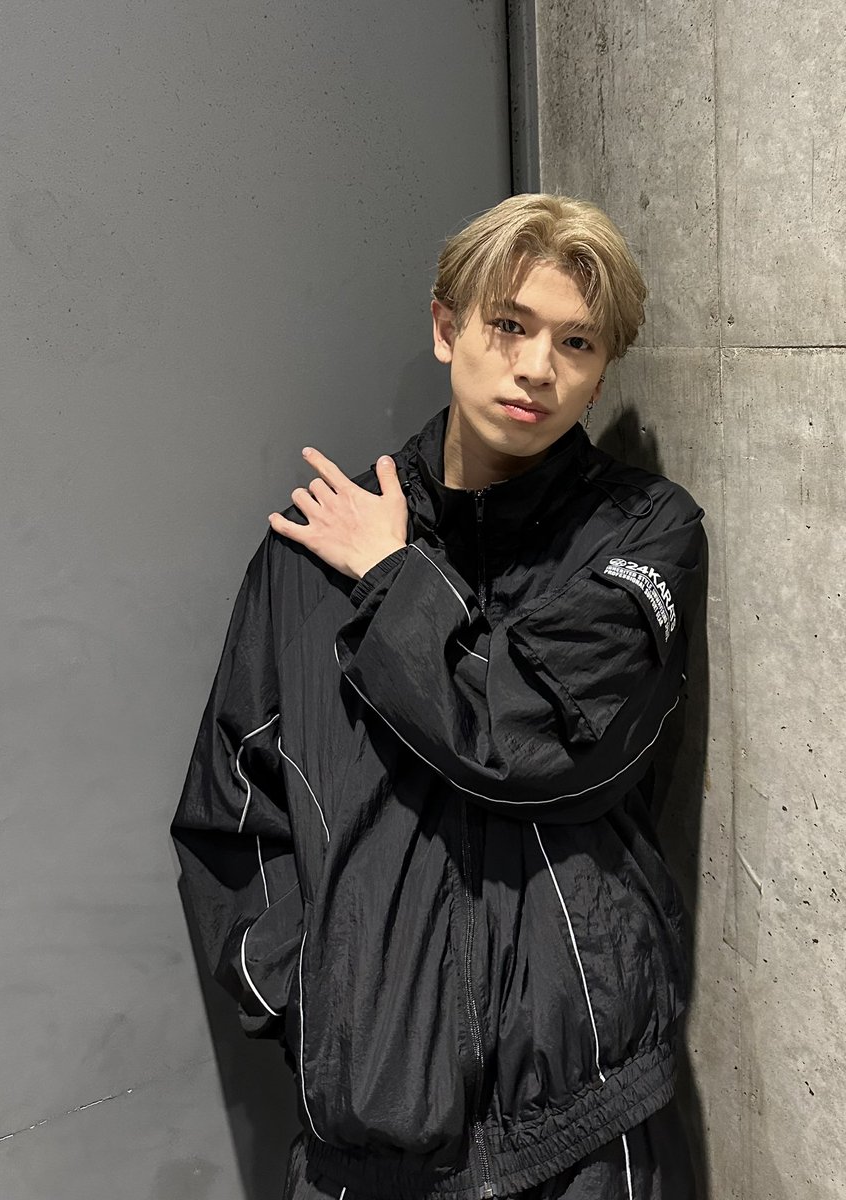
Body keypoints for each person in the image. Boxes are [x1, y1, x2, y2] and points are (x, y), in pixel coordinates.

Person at [171, 193, 706, 1200]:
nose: (537, 367)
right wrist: (317, 1006)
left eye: (577, 343)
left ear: (601, 374)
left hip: (584, 1128)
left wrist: (393, 579)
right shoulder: (312, 552)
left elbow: (527, 742)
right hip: (366, 1137)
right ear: (445, 326)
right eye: (509, 324)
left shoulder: (645, 534)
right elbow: (230, 817)